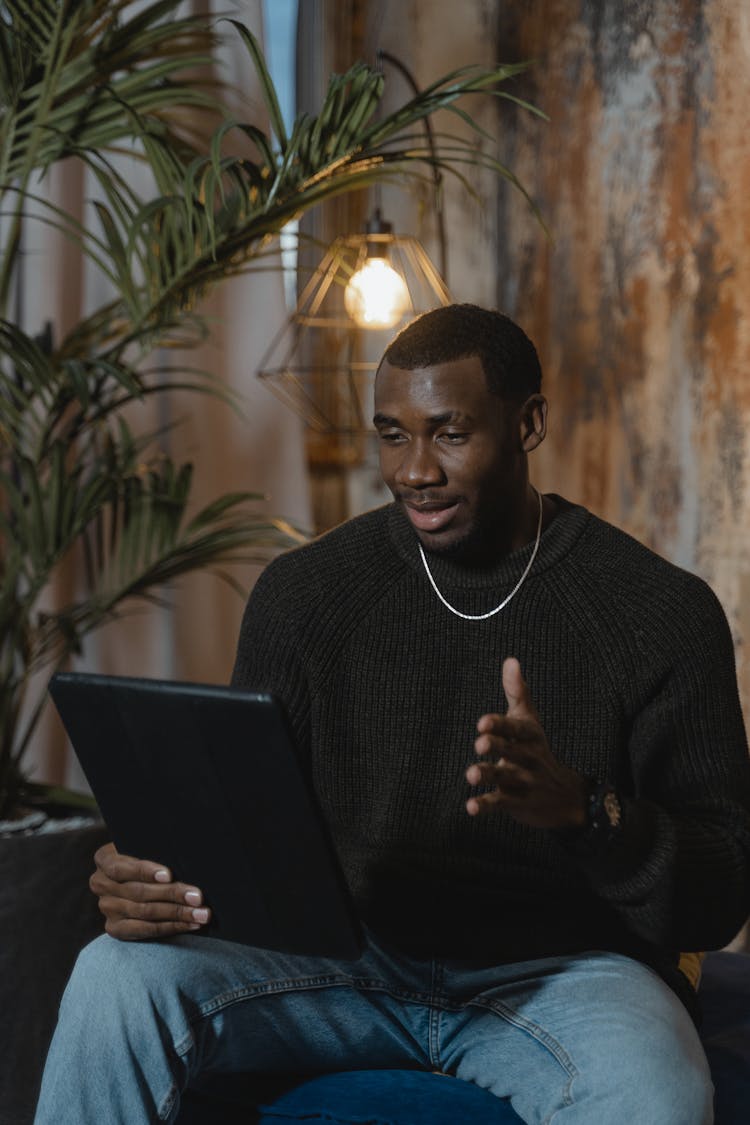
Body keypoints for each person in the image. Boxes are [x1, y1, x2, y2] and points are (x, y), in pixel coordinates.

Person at [35, 304, 750, 1124]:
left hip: (566, 977)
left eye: (449, 433)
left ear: (529, 424)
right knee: (113, 976)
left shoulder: (657, 611)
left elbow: (721, 891)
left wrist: (585, 813)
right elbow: (248, 829)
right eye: (391, 434)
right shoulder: (307, 594)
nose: (414, 470)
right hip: (344, 965)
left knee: (659, 1088)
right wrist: (149, 879)